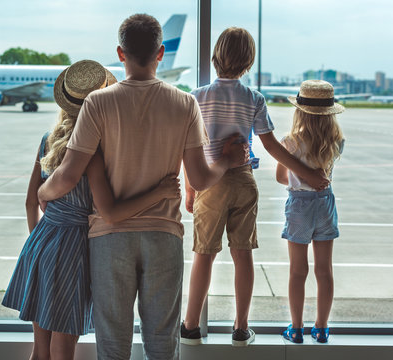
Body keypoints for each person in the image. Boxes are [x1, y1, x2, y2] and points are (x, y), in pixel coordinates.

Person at [37, 14, 249, 360]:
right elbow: (198, 179)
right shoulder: (184, 104)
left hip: (109, 236)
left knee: (113, 344)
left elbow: (68, 175)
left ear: (121, 54)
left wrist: (41, 194)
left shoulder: (97, 103)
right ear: (160, 53)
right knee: (162, 344)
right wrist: (227, 160)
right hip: (163, 234)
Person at [2, 60, 182, 360]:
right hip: (73, 252)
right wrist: (160, 193)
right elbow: (110, 212)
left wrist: (41, 240)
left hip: (40, 244)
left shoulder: (47, 142)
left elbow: (32, 200)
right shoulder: (94, 155)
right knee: (63, 350)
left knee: (40, 350)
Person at [181, 27, 330, 347]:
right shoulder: (254, 98)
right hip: (244, 180)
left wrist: (191, 189)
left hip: (210, 180)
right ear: (249, 62)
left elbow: (187, 147)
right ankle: (241, 327)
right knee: (243, 253)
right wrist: (308, 174)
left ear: (215, 57)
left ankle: (191, 325)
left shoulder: (197, 96)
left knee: (203, 255)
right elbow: (273, 147)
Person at [277, 79, 345, 344]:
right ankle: (322, 328)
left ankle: (295, 329)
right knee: (324, 270)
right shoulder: (337, 141)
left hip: (299, 206)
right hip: (325, 203)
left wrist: (299, 176)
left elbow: (282, 178)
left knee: (297, 270)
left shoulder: (290, 142)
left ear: (299, 111)